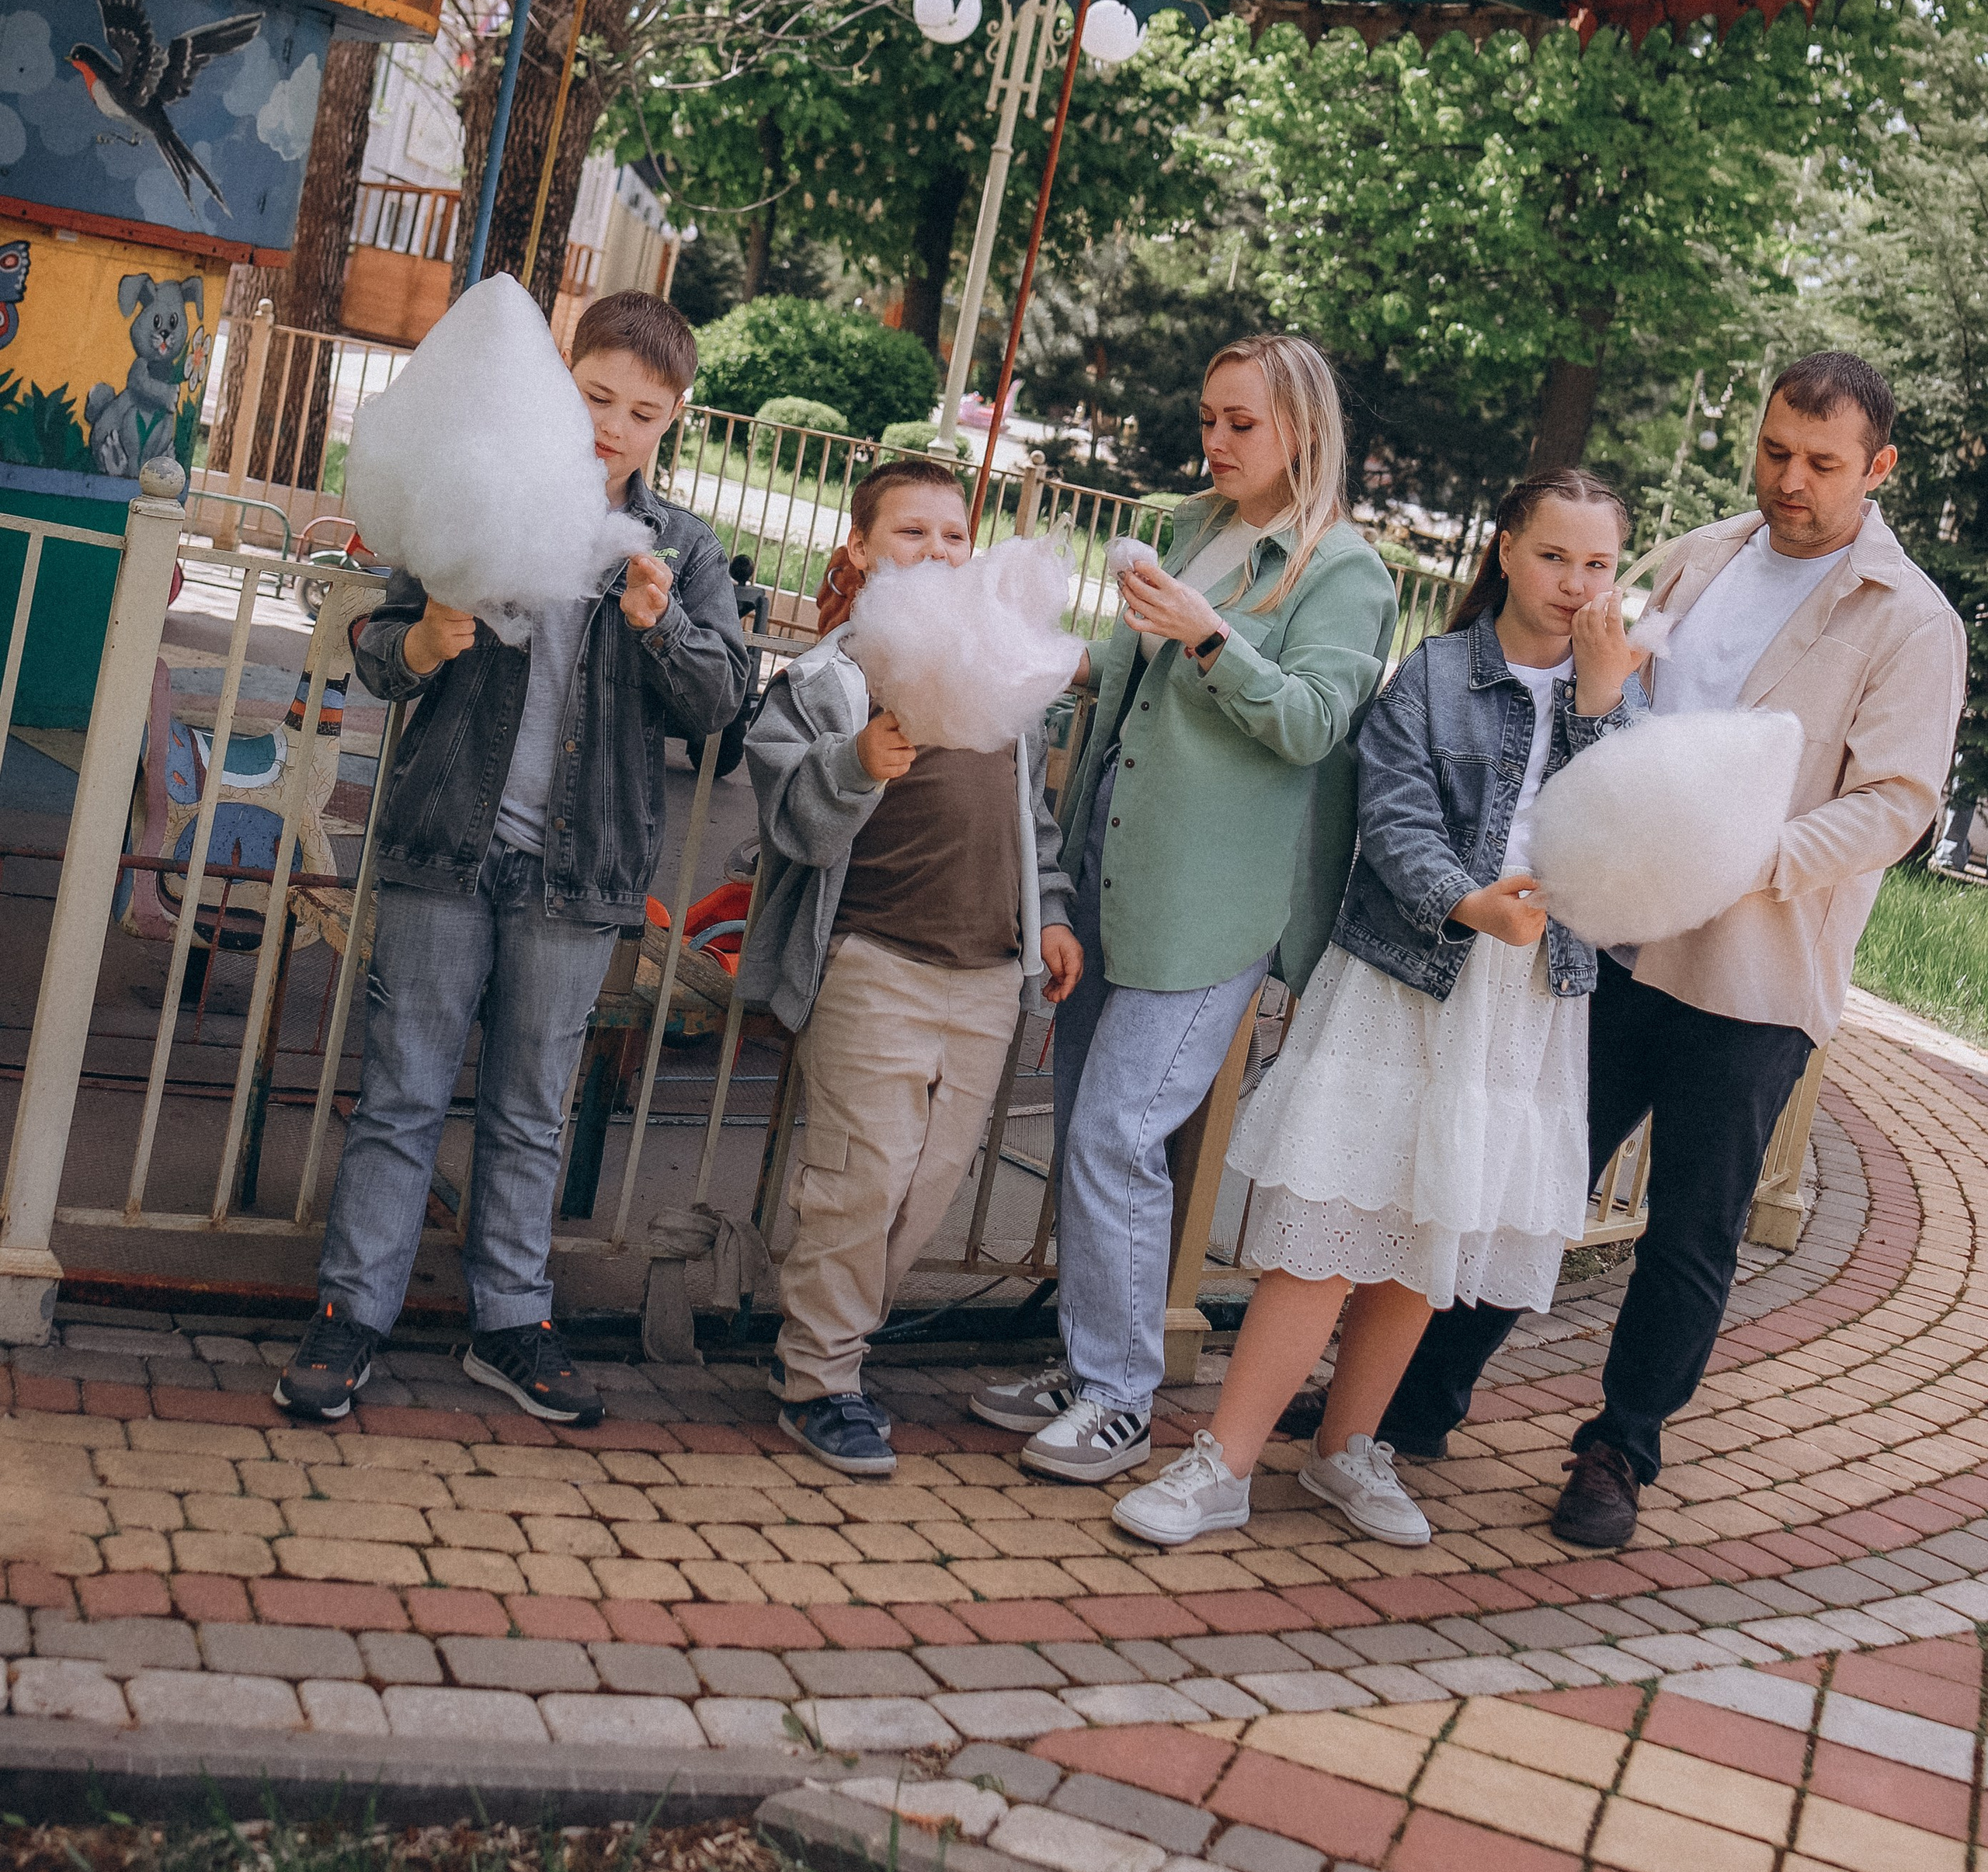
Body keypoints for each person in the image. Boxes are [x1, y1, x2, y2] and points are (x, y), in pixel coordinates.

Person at [1381, 352, 1968, 1549]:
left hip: (1756, 968)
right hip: (1611, 939)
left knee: (1692, 1228)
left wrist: (1737, 860)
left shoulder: (1912, 619)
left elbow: (1896, 805)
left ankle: (1619, 1447)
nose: (1788, 480)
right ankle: (1412, 1403)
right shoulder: (1698, 555)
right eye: (1774, 450)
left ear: (1880, 468)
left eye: (1822, 463)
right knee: (1529, 1178)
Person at [1113, 469, 1645, 1549]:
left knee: (1430, 1227)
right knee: (1336, 1222)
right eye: (1554, 556)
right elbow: (1393, 823)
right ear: (1504, 550)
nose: (1575, 584)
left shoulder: (1620, 692)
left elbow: (1620, 829)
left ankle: (1348, 1446)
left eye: (1598, 564)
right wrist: (1466, 901)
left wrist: (1597, 703)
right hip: (1412, 974)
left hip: (1527, 1001)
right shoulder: (1436, 675)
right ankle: (1224, 1460)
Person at [276, 290, 749, 1429]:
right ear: (558, 378)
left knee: (533, 1108)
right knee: (402, 1092)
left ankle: (511, 1322)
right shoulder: (478, 483)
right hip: (447, 840)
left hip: (580, 876)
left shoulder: (681, 550)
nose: (614, 425)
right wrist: (426, 639)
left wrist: (660, 626)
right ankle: (352, 1317)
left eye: (643, 410)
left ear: (674, 418)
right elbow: (378, 651)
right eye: (595, 396)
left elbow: (722, 701)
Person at [970, 336, 1399, 1484]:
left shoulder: (1344, 570)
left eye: (1240, 423)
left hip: (1216, 903)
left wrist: (1208, 635)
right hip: (1114, 871)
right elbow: (1128, 685)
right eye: (1207, 417)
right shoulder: (1185, 526)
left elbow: (1313, 722)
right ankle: (1085, 1358)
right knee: (1082, 1131)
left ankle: (1118, 1396)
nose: (1213, 441)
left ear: (1299, 428)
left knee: (1117, 1131)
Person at [741, 456, 1084, 1478]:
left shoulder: (1000, 672)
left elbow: (1030, 821)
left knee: (928, 1181)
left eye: (952, 535)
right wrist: (861, 762)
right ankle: (820, 1376)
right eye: (911, 533)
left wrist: (1051, 912)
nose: (937, 551)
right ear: (859, 549)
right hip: (873, 959)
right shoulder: (829, 679)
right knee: (862, 1175)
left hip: (986, 971)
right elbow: (792, 820)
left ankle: (826, 1339)